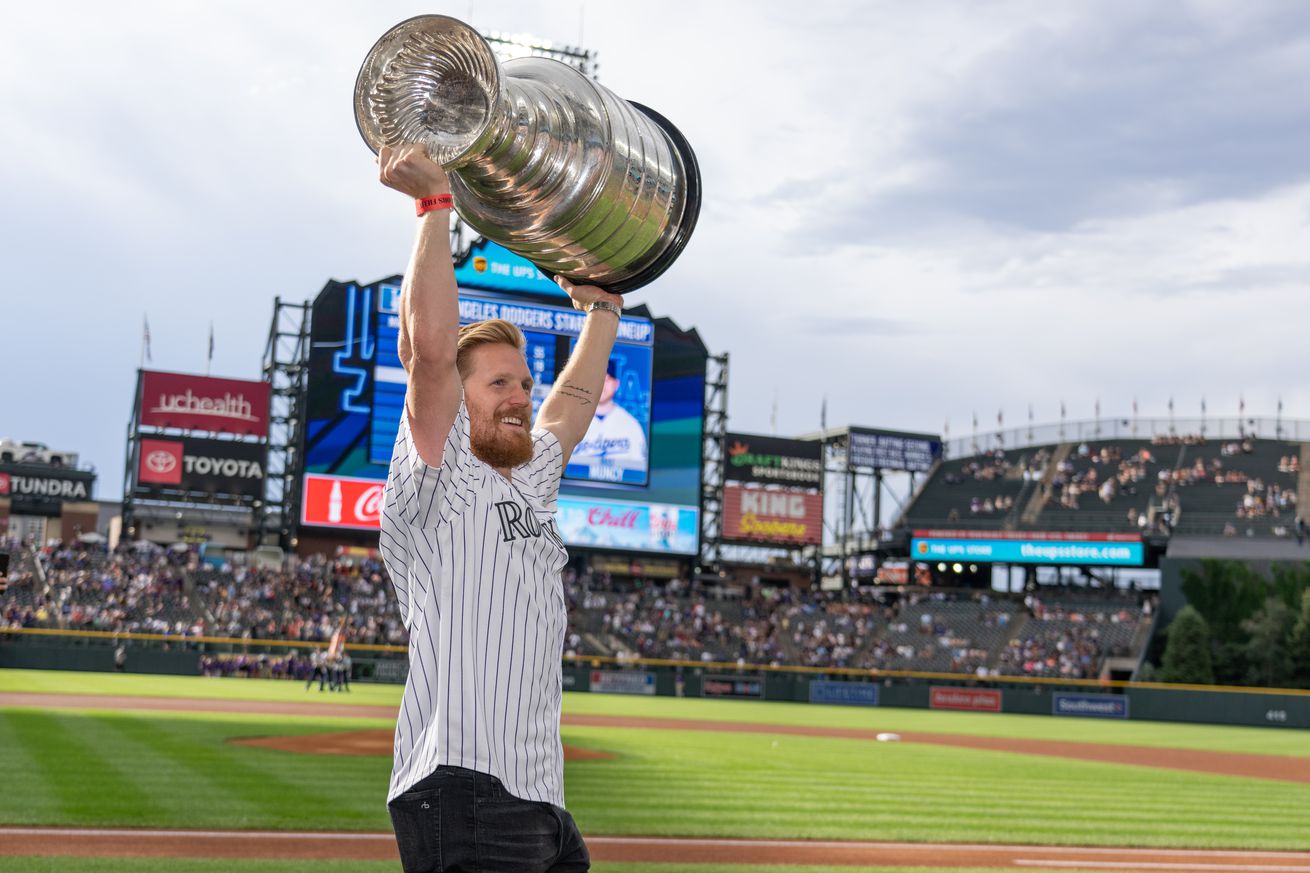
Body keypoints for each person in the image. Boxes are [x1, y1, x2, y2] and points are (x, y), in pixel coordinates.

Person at [376, 143, 621, 873]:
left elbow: (570, 412)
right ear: (458, 399)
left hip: (539, 796)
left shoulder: (527, 476)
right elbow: (429, 353)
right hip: (464, 785)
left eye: (523, 381)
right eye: (498, 385)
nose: (519, 396)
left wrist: (603, 310)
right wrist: (435, 207)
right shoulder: (437, 473)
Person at [568, 358, 648, 479]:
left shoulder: (631, 425)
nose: (601, 385)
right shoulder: (571, 422)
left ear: (616, 384)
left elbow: (639, 473)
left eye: (606, 380)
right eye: (597, 379)